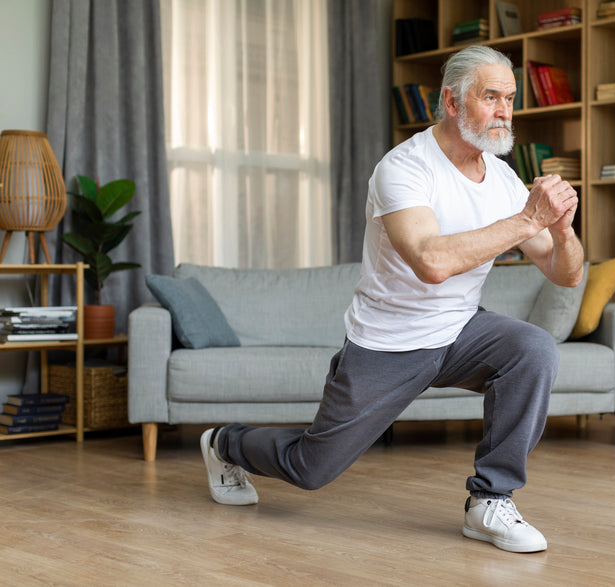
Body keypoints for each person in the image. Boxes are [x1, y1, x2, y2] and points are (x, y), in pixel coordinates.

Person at [200, 45, 584, 554]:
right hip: (389, 343)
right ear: (452, 100)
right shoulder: (403, 168)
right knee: (311, 469)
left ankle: (490, 500)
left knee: (532, 349)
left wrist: (562, 231)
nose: (504, 112)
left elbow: (566, 275)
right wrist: (529, 219)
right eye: (490, 97)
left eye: (509, 99)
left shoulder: (503, 177)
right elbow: (431, 262)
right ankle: (225, 443)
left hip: (461, 331)